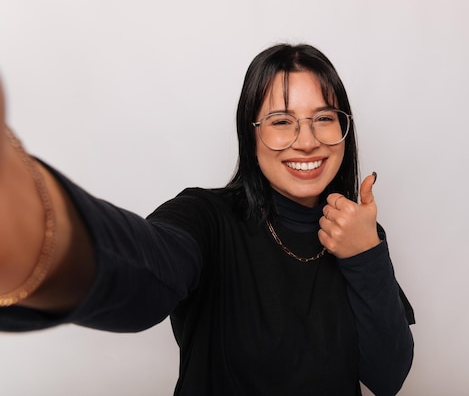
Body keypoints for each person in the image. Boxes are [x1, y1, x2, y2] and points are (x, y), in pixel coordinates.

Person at [0, 43, 414, 395]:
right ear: (251, 137)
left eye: (324, 118)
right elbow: (147, 274)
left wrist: (366, 256)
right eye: (281, 122)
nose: (306, 142)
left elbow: (386, 377)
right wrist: (35, 233)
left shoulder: (361, 234)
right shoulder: (206, 218)